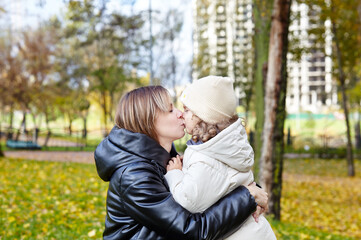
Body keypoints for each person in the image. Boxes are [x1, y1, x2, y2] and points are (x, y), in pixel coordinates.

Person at [94, 85, 268, 240]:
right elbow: (193, 230)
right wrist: (247, 197)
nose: (180, 114)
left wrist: (251, 189)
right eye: (170, 110)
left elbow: (210, 188)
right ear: (147, 121)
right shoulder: (135, 176)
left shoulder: (165, 160)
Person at [166, 76, 277, 240]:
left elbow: (188, 201)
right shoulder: (225, 146)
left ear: (204, 118)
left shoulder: (204, 158)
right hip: (254, 231)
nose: (182, 114)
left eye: (187, 110)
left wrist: (175, 174)